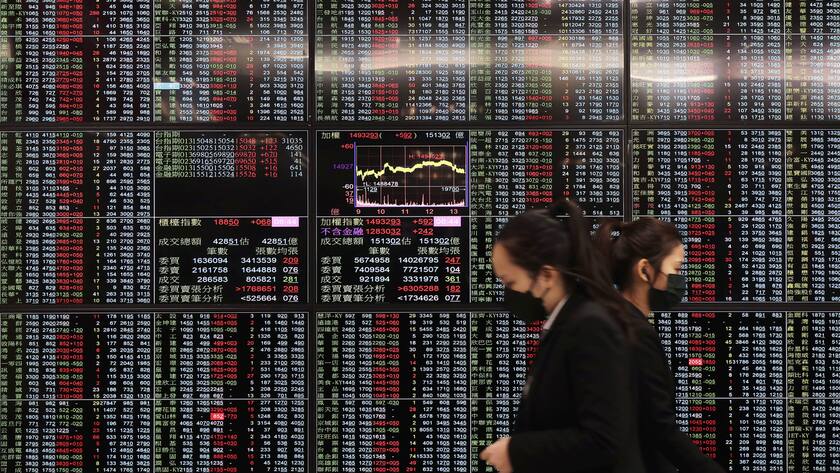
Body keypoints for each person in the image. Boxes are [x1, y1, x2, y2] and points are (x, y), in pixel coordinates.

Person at [479, 200, 645, 473]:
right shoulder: (566, 324)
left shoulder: (590, 327)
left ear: (546, 275)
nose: (509, 295)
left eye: (510, 283)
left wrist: (516, 451)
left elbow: (603, 439)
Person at [595, 218, 726, 473]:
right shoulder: (635, 333)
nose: (679, 280)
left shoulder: (612, 321)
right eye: (675, 269)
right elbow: (660, 427)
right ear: (644, 270)